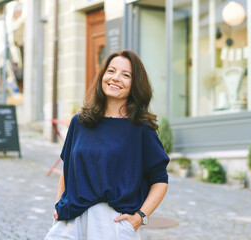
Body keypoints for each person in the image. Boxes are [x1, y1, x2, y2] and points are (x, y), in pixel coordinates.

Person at [44, 50, 169, 240]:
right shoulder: (80, 122)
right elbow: (67, 168)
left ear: (135, 84)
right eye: (111, 71)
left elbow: (160, 180)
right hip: (70, 221)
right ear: (102, 75)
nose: (116, 78)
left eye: (126, 75)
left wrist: (140, 218)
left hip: (111, 225)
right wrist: (58, 205)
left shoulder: (140, 128)